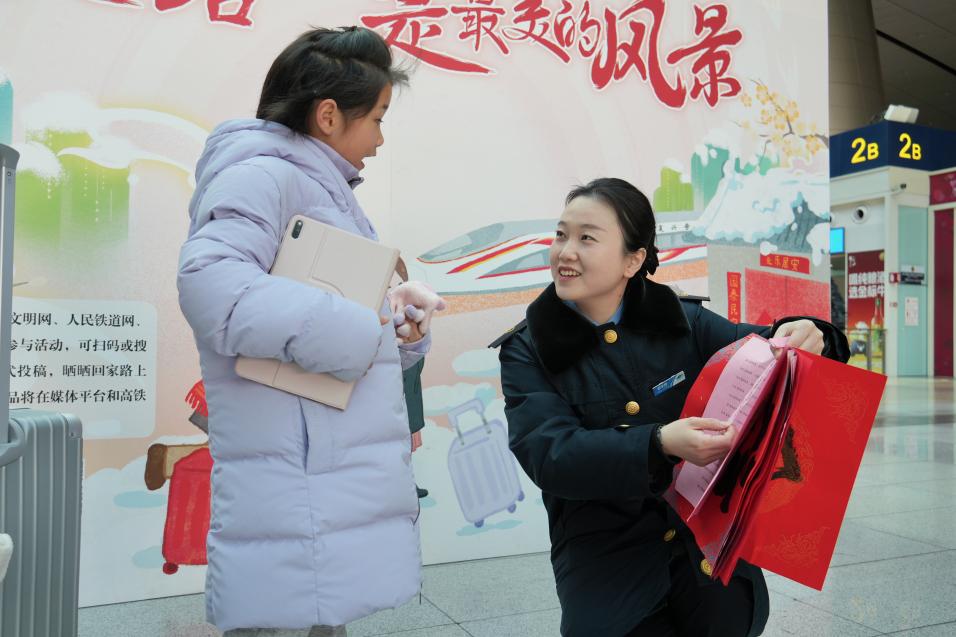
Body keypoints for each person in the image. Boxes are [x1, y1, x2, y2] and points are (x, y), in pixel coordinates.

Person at [492, 178, 849, 637]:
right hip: (608, 562)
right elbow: (550, 453)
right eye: (561, 235)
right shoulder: (528, 349)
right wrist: (658, 444)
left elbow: (765, 350)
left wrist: (813, 335)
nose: (566, 252)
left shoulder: (683, 321)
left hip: (704, 555)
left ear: (633, 260)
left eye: (586, 238)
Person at [177, 26, 442, 637]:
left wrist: (394, 323)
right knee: (287, 614)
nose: (380, 138)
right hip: (294, 477)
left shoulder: (317, 187)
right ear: (328, 115)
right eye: (376, 118)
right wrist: (362, 329)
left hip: (312, 472)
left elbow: (324, 313)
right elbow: (212, 287)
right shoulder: (263, 177)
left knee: (313, 611)